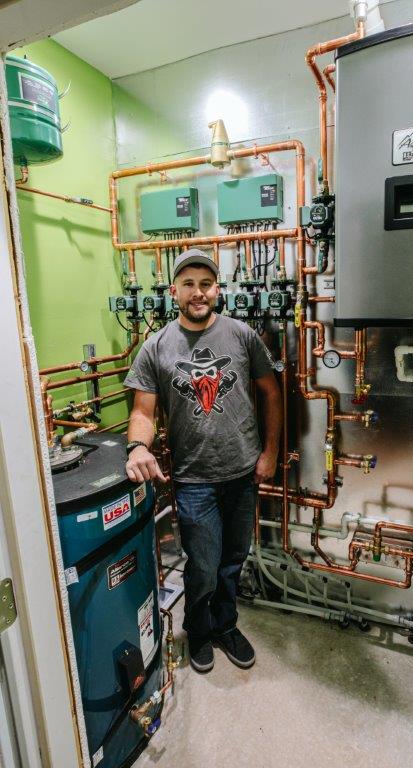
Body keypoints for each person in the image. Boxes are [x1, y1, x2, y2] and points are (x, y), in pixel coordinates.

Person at [124, 248, 282, 673]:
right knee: (205, 565)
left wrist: (270, 452)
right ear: (174, 291)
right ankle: (198, 629)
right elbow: (142, 412)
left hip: (242, 472)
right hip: (194, 479)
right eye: (189, 284)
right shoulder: (155, 347)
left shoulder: (242, 335)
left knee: (233, 559)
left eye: (206, 284)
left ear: (218, 289)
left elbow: (271, 392)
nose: (198, 292)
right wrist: (137, 447)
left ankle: (225, 624)